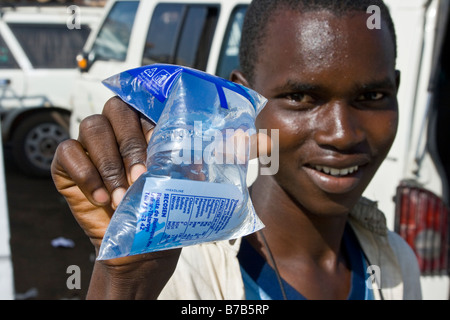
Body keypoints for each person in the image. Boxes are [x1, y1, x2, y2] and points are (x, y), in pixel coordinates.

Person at [51, 0, 422, 300]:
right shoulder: (180, 277)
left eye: (372, 96)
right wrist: (125, 283)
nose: (342, 134)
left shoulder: (393, 264)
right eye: (300, 98)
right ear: (242, 102)